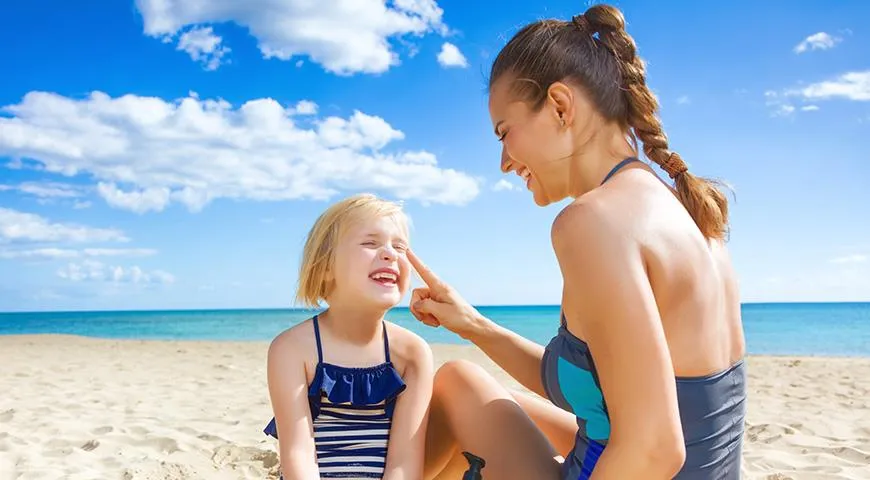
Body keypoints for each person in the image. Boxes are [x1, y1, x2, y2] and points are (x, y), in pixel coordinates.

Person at [415, 4, 747, 480]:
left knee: (453, 396)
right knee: (466, 385)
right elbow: (613, 391)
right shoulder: (691, 213)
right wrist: (471, 325)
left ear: (559, 105)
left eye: (505, 133)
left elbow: (653, 449)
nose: (505, 162)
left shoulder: (593, 222)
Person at [264, 193, 434, 480]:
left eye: (400, 247)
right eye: (370, 243)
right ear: (326, 267)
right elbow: (298, 455)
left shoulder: (413, 353)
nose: (391, 254)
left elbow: (403, 464)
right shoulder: (293, 348)